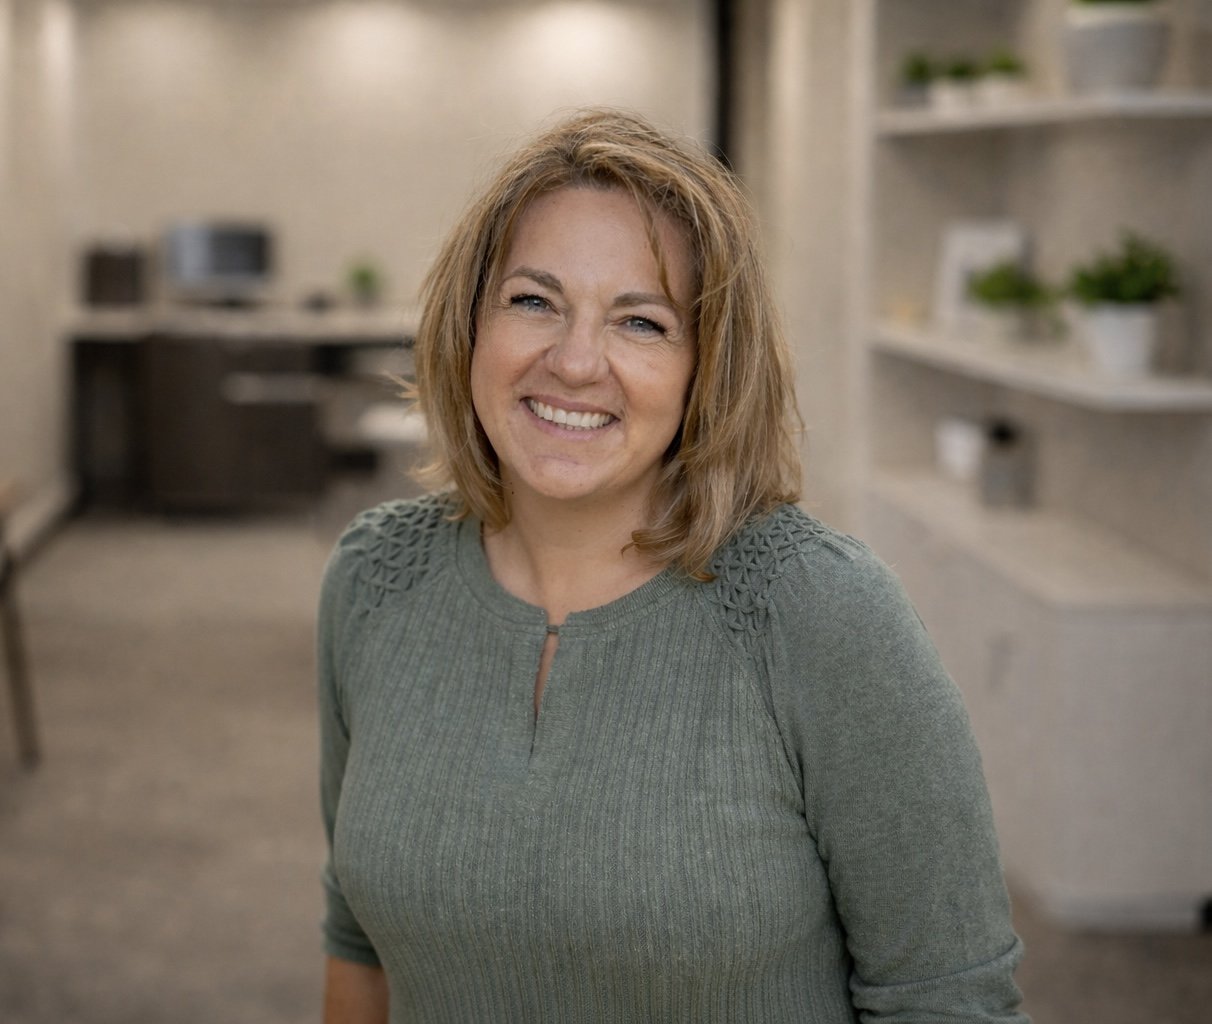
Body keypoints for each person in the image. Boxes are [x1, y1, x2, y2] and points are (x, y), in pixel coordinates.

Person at [317, 108, 1028, 1023]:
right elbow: (357, 940)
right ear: (469, 326)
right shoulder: (375, 584)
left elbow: (951, 1000)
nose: (575, 362)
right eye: (533, 300)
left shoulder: (822, 612)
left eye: (641, 323)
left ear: (708, 367)